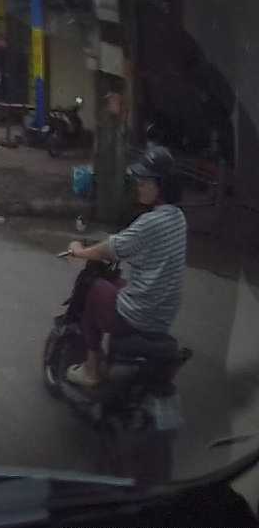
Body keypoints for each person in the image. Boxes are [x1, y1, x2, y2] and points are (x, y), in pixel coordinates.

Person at [64, 146, 187, 387]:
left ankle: (91, 371)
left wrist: (79, 251)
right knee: (118, 283)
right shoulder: (178, 218)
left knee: (94, 289)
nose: (139, 184)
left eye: (146, 181)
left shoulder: (151, 222)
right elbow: (141, 247)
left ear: (161, 186)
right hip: (163, 314)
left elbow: (111, 248)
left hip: (139, 315)